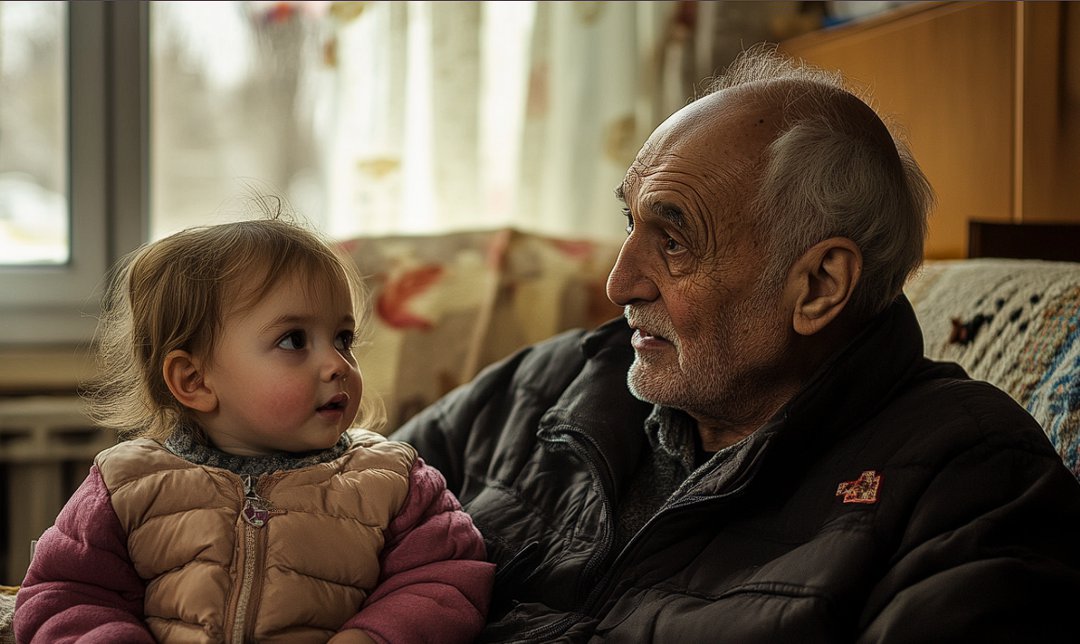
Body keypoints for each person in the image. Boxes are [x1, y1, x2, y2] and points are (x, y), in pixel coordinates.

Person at [392, 45, 1080, 642]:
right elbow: (329, 501)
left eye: (673, 240)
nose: (619, 282)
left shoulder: (969, 482)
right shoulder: (553, 381)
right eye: (630, 222)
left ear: (817, 286)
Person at [15, 214, 494, 643]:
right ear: (194, 380)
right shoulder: (127, 484)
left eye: (343, 338)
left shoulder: (395, 479)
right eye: (294, 340)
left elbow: (447, 580)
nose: (337, 364)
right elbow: (64, 593)